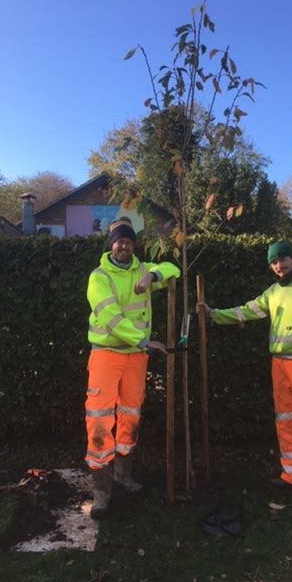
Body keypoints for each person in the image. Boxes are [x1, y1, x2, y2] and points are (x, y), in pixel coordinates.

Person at [196, 240, 292, 510]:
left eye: (283, 259)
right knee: (285, 420)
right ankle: (291, 474)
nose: (279, 266)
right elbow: (249, 310)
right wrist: (215, 314)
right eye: (274, 262)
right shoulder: (274, 291)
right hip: (280, 364)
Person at [85, 218, 180, 519]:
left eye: (127, 241)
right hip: (107, 355)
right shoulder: (99, 277)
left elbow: (174, 270)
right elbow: (110, 317)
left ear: (133, 245)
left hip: (136, 358)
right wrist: (143, 340)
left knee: (130, 416)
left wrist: (153, 275)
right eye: (118, 241)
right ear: (111, 245)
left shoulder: (141, 268)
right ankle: (101, 493)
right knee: (99, 419)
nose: (123, 245)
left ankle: (123, 476)